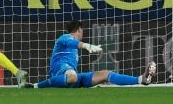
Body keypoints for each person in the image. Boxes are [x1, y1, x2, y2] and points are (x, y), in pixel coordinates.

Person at [26, 20, 156, 88]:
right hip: (60, 73)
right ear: (79, 29)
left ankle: (141, 79)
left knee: (105, 74)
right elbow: (71, 43)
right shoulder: (64, 38)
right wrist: (86, 46)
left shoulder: (73, 45)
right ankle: (38, 85)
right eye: (82, 30)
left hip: (74, 78)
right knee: (72, 76)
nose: (82, 32)